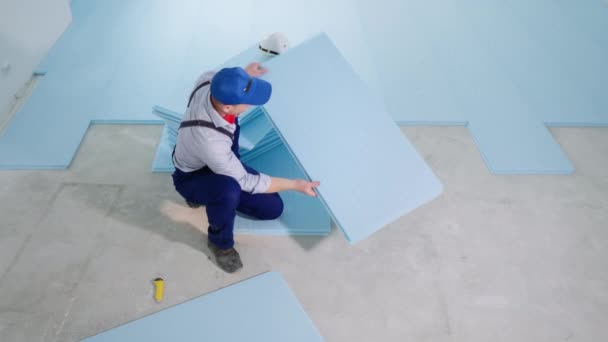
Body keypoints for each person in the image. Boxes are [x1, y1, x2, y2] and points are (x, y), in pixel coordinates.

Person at [172, 62, 320, 273]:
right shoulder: (211, 142)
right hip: (192, 175)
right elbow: (247, 182)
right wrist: (295, 184)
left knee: (270, 207)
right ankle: (220, 243)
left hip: (210, 154)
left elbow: (222, 78)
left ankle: (221, 180)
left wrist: (245, 77)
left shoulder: (207, 81)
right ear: (227, 107)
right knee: (231, 191)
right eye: (248, 101)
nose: (252, 105)